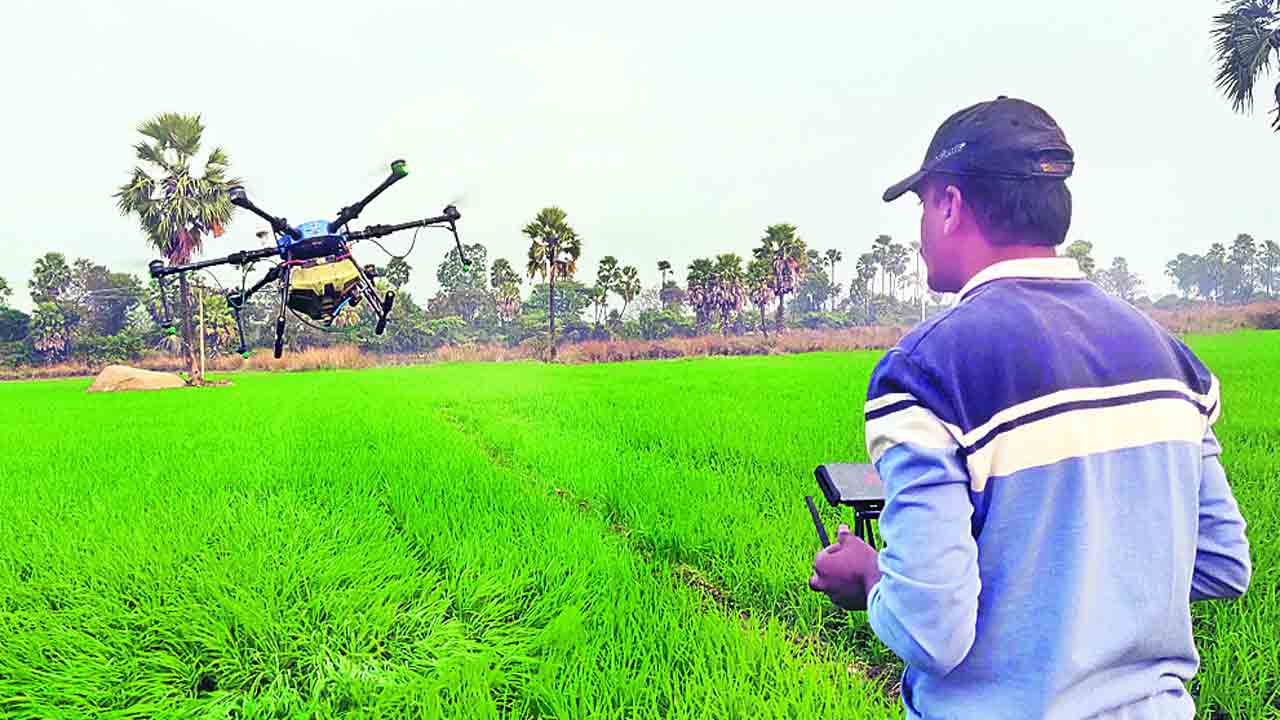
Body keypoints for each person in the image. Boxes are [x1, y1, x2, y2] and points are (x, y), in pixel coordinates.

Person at [808, 96, 1252, 719]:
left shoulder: (928, 373)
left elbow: (930, 630)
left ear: (949, 205)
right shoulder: (1172, 360)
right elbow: (1222, 563)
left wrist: (870, 576)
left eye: (922, 206)